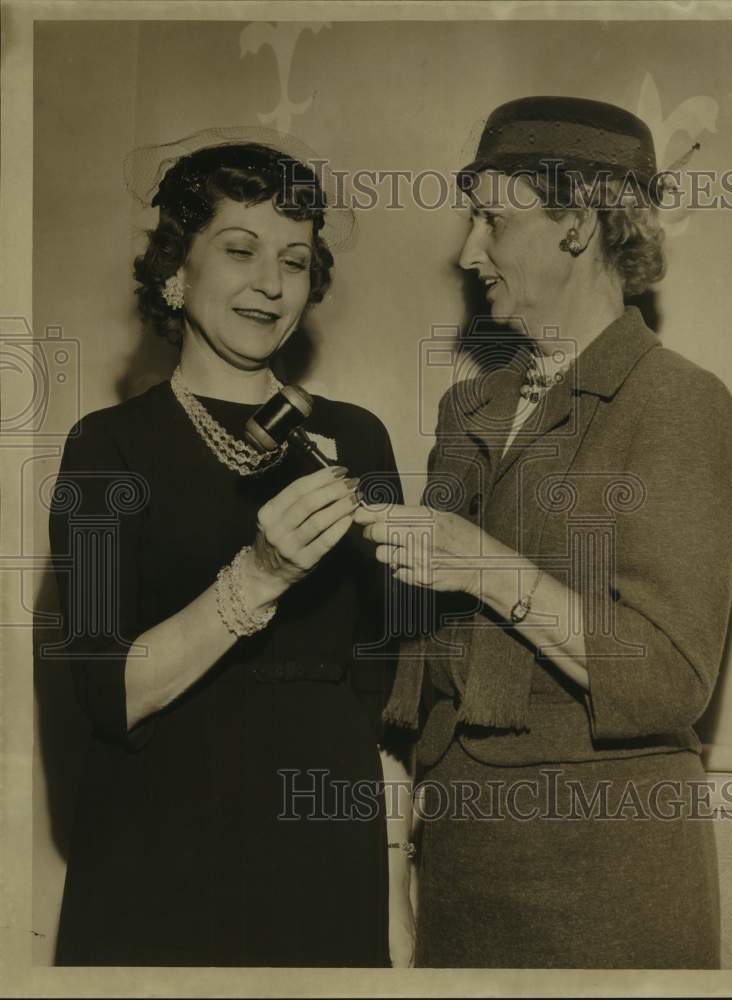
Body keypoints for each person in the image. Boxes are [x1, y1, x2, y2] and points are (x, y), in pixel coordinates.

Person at [358, 96, 732, 968]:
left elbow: (672, 676)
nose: (468, 252)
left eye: (493, 219)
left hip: (602, 878)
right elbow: (425, 662)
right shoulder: (473, 406)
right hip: (460, 862)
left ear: (577, 222)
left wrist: (486, 567)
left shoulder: (679, 401)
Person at [48, 133, 414, 967]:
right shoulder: (105, 448)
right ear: (176, 271)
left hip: (325, 843)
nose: (271, 282)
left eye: (295, 258)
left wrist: (393, 885)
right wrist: (259, 576)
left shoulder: (357, 436)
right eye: (240, 249)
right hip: (156, 844)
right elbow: (106, 694)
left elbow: (387, 684)